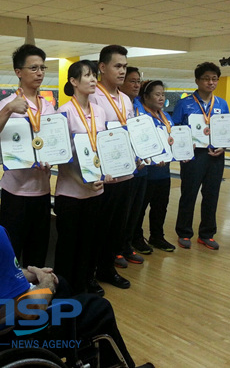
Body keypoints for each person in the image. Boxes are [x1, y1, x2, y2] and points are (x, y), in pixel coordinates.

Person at [0, 144, 154, 368]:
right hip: (0, 334)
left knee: (61, 283)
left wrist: (32, 274)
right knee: (97, 308)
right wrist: (44, 284)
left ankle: (84, 351)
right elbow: (28, 312)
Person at [0, 44, 54, 268]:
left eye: (42, 67)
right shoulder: (7, 103)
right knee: (13, 251)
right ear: (18, 72)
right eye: (33, 68)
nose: (39, 73)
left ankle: (36, 298)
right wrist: (9, 109)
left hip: (42, 191)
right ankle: (12, 298)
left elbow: (52, 143)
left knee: (38, 251)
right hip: (16, 193)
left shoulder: (48, 107)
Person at [54, 60, 106, 295]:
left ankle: (84, 285)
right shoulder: (63, 112)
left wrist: (107, 173)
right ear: (74, 82)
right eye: (87, 75)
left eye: (94, 75)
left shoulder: (100, 111)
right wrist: (82, 180)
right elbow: (62, 157)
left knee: (90, 243)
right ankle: (65, 289)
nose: (93, 79)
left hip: (96, 190)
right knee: (68, 245)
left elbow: (103, 147)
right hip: (71, 191)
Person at [88, 45, 134, 291]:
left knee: (117, 227)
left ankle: (107, 269)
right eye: (118, 66)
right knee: (99, 228)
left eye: (125, 66)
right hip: (104, 177)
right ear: (102, 68)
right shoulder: (92, 96)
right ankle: (91, 273)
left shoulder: (126, 99)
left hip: (125, 173)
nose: (122, 71)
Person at [172, 62, 230, 250]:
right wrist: (184, 148)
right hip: (193, 156)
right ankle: (184, 232)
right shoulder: (185, 103)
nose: (210, 82)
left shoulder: (222, 103)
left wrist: (223, 146)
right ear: (197, 80)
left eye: (214, 79)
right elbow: (176, 129)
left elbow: (226, 130)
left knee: (212, 195)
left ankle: (207, 234)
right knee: (189, 194)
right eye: (206, 78)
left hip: (215, 155)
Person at [135, 80, 176, 252]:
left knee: (160, 207)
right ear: (145, 96)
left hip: (164, 171)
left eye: (163, 94)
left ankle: (157, 236)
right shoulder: (140, 116)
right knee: (141, 209)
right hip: (147, 172)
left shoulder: (166, 116)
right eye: (157, 94)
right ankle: (136, 238)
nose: (161, 98)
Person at [118, 66, 150, 261]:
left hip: (141, 170)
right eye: (132, 81)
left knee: (135, 214)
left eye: (138, 81)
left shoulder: (139, 105)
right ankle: (117, 249)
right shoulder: (118, 104)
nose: (137, 84)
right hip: (123, 170)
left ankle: (127, 246)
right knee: (122, 215)